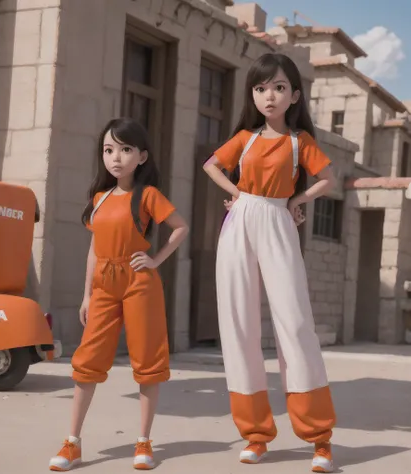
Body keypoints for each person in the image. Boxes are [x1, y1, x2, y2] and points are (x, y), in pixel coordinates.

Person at [203, 53, 337, 473]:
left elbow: (329, 179)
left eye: (279, 87)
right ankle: (256, 435)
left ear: (295, 95)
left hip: (279, 220)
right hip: (240, 221)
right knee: (238, 324)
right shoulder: (244, 137)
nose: (269, 96)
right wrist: (239, 195)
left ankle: (319, 437)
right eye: (261, 88)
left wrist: (297, 199)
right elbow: (211, 165)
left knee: (295, 323)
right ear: (253, 95)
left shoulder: (301, 142)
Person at [49, 117, 189, 471]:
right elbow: (94, 250)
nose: (116, 158)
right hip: (104, 285)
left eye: (125, 150)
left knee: (147, 363)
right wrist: (86, 295)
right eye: (109, 150)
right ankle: (73, 442)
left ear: (141, 157)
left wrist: (155, 259)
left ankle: (143, 443)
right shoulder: (99, 198)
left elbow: (180, 227)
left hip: (139, 282)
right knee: (87, 362)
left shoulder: (148, 195)